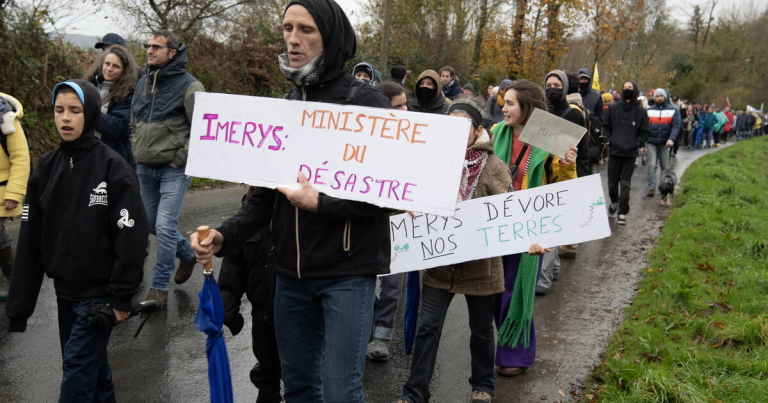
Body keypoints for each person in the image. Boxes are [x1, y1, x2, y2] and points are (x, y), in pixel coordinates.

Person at [191, 1, 391, 401]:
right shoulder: (283, 106)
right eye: (287, 28)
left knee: (340, 391)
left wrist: (324, 204)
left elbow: (391, 197)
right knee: (298, 388)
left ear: (329, 36)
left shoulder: (367, 104)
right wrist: (223, 237)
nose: (293, 39)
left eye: (306, 30)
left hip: (347, 275)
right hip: (289, 276)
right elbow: (263, 199)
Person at [6, 79, 148, 402]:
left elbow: (132, 236)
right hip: (65, 295)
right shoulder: (45, 167)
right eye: (59, 110)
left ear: (93, 114)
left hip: (98, 298)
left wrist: (122, 297)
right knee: (94, 377)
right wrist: (19, 307)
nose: (65, 118)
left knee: (76, 378)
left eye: (75, 110)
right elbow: (30, 242)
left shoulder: (114, 168)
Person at [396, 96, 537, 403]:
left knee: (482, 330)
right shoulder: (433, 165)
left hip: (482, 268)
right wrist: (409, 208)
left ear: (478, 130)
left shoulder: (495, 168)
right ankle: (414, 391)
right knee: (428, 328)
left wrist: (530, 239)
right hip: (440, 264)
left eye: (463, 128)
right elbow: (414, 200)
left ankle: (483, 386)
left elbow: (510, 215)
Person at [491, 80, 577, 376]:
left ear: (527, 108)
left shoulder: (550, 138)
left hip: (531, 227)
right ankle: (508, 340)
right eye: (504, 102)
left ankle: (514, 355)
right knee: (493, 291)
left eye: (511, 103)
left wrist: (566, 163)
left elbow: (563, 188)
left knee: (516, 290)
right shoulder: (494, 134)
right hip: (495, 224)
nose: (504, 108)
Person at [131, 29, 206, 309]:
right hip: (144, 167)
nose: (150, 51)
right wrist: (136, 145)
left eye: (156, 47)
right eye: (148, 45)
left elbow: (202, 129)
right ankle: (187, 255)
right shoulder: (142, 83)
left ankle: (158, 288)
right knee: (150, 224)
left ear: (172, 53)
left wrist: (181, 157)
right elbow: (134, 120)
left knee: (164, 225)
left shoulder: (191, 86)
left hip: (174, 169)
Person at [218, 188, 282, 403]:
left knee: (299, 372)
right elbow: (231, 272)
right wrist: (228, 311)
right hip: (262, 314)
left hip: (296, 313)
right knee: (266, 368)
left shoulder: (297, 221)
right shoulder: (245, 224)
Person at [365, 80, 408, 362]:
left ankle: (381, 337)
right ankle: (367, 325)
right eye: (397, 106)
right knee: (365, 280)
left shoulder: (416, 138)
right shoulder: (364, 140)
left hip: (402, 223)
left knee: (393, 284)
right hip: (368, 221)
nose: (404, 110)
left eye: (406, 104)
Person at [536, 70, 585, 295]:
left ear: (564, 88)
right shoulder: (539, 111)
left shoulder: (573, 114)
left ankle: (543, 279)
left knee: (551, 226)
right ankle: (553, 267)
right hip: (540, 174)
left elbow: (579, 149)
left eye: (557, 85)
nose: (552, 89)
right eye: (549, 84)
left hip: (562, 173)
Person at [83, 45, 139, 170]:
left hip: (113, 158)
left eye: (116, 66)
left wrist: (87, 114)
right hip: (87, 154)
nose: (109, 69)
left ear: (125, 71)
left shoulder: (130, 94)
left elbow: (118, 126)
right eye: (107, 64)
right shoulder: (88, 87)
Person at [603, 81, 649, 225]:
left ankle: (622, 211)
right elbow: (606, 126)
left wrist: (636, 144)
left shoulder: (641, 112)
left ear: (635, 90)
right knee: (611, 183)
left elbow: (645, 132)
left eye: (630, 88)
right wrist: (610, 139)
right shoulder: (614, 108)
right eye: (625, 87)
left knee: (625, 183)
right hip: (615, 151)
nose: (627, 90)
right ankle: (614, 202)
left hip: (630, 153)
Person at [0, 93, 31, 300]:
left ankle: (13, 280)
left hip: (2, 190)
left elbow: (21, 159)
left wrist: (14, 193)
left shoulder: (6, 118)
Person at [645, 88, 680, 198]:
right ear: (654, 98)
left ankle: (664, 185)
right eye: (657, 96)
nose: (659, 98)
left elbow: (676, 126)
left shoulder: (673, 110)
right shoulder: (649, 110)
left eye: (661, 96)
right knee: (651, 165)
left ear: (665, 97)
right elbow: (644, 126)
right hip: (651, 142)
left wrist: (672, 138)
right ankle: (651, 186)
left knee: (664, 166)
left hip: (665, 143)